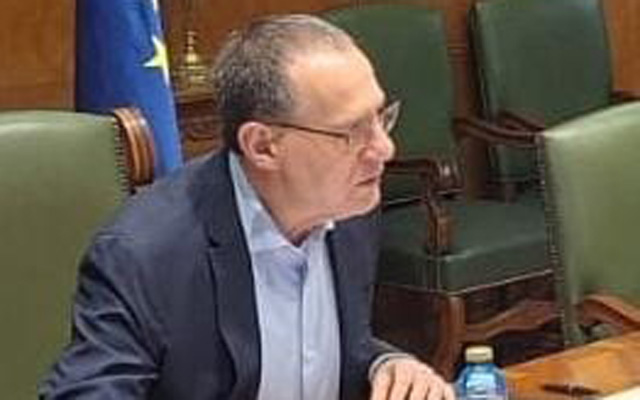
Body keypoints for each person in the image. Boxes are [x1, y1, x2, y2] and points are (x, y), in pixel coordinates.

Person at [40, 14, 454, 400]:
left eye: (381, 118)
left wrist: (386, 363)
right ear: (262, 146)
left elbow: (317, 347)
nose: (384, 148)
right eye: (352, 132)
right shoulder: (145, 253)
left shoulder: (349, 207)